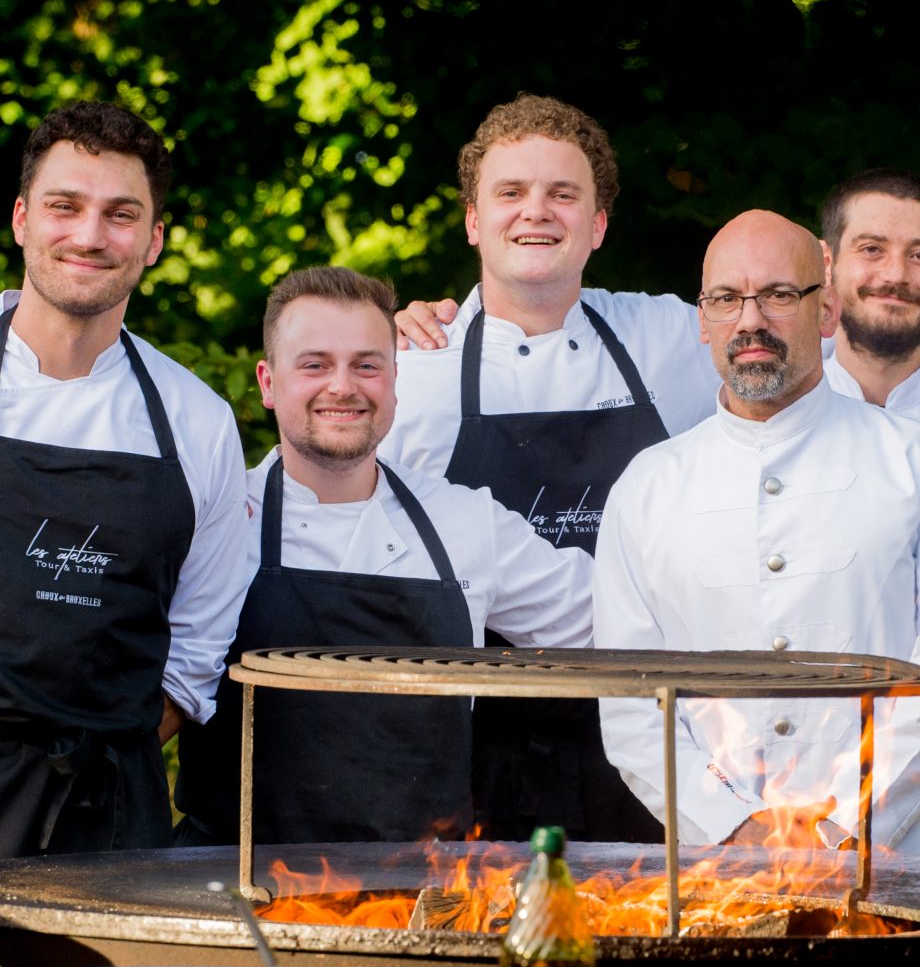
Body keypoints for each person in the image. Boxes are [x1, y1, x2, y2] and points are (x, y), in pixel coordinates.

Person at [379, 93, 718, 843]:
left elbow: (809, 350)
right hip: (478, 757)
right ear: (473, 220)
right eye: (511, 193)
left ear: (598, 225)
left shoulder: (669, 335)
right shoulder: (410, 372)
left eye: (563, 195)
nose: (537, 212)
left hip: (662, 745)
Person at [174, 265, 595, 846]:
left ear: (395, 382)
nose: (342, 387)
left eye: (367, 365)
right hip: (233, 888)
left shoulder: (465, 522)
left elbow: (616, 618)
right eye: (315, 364)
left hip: (421, 901)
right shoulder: (217, 521)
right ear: (268, 383)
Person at [593, 209, 920, 851]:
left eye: (777, 295)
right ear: (702, 320)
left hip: (895, 862)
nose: (750, 321)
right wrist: (739, 829)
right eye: (725, 300)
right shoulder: (647, 488)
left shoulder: (909, 462)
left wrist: (839, 828)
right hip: (718, 871)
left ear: (826, 313)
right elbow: (631, 705)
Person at [0, 101, 249, 858]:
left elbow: (198, 650)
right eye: (64, 207)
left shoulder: (197, 423)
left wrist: (96, 755)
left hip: (105, 824)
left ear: (153, 241)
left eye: (120, 214)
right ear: (20, 219)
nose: (88, 235)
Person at [820, 168, 920, 419]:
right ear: (826, 264)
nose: (896, 275)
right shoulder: (776, 416)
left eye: (918, 255)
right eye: (872, 249)